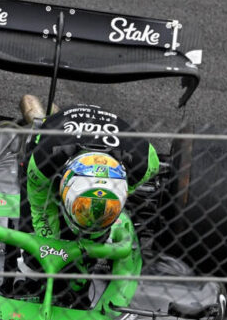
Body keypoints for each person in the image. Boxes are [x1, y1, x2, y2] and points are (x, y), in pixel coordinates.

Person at [20, 101, 160, 240]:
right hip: (58, 130)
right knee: (29, 221)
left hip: (107, 132)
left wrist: (125, 191)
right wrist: (49, 244)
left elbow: (152, 165)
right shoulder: (45, 159)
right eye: (82, 210)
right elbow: (41, 210)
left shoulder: (143, 163)